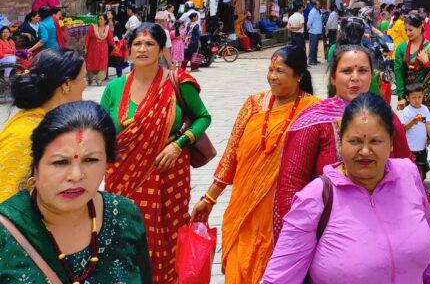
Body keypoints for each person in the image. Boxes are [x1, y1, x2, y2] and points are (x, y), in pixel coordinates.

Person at [263, 93, 430, 284]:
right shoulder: (316, 197)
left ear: (391, 142)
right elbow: (278, 279)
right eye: (355, 141)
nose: (365, 151)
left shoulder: (408, 174)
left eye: (376, 141)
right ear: (340, 142)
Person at [190, 45, 318, 284]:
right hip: (242, 211)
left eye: (280, 71)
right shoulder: (253, 104)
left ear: (299, 76)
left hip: (284, 216)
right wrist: (208, 199)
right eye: (270, 69)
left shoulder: (312, 110)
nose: (272, 76)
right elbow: (231, 156)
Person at [101, 23, 212, 284]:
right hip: (122, 174)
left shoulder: (177, 83)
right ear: (128, 50)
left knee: (165, 233)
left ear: (162, 49)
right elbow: (101, 130)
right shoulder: (114, 88)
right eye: (137, 44)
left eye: (150, 44)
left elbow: (202, 117)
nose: (142, 49)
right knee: (123, 234)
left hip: (167, 174)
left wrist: (179, 144)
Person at [0, 101, 151, 283]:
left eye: (91, 160)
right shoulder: (5, 231)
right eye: (60, 162)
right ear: (36, 166)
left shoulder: (126, 215)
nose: (76, 175)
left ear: (107, 164)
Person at [273, 44, 413, 240]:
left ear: (372, 75)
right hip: (330, 236)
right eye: (347, 71)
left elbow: (408, 172)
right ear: (333, 77)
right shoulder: (313, 122)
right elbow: (290, 188)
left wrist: (427, 213)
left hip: (387, 229)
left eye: (362, 70)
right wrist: (295, 244)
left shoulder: (386, 118)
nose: (355, 77)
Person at [0, 49, 86, 203]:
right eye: (84, 77)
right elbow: (6, 200)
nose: (86, 84)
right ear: (66, 84)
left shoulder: (52, 125)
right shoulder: (26, 134)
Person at [394, 14, 430, 124]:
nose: (407, 33)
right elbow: (399, 73)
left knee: (425, 123)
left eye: (410, 30)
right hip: (409, 95)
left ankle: (428, 141)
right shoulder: (401, 48)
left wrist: (426, 63)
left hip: (426, 96)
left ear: (420, 28)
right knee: (410, 123)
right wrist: (401, 96)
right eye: (406, 30)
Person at [401, 82, 430, 181]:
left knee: (421, 170)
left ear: (423, 96)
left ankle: (420, 187)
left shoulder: (424, 109)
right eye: (414, 97)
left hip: (421, 147)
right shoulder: (407, 111)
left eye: (419, 97)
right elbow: (404, 128)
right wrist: (414, 121)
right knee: (411, 169)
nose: (417, 100)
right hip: (410, 147)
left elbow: (428, 124)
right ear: (408, 98)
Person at [84, 14, 115, 86]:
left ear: (105, 21)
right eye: (98, 19)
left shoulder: (107, 28)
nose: (99, 20)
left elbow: (111, 40)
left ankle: (99, 79)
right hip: (92, 49)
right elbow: (87, 38)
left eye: (101, 19)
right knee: (90, 63)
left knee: (102, 64)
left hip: (103, 50)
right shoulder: (93, 27)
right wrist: (85, 47)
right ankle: (90, 79)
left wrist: (115, 47)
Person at [307, 1, 324, 66]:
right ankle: (311, 60)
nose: (319, 5)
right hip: (313, 32)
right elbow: (309, 22)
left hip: (317, 32)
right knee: (312, 47)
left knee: (315, 47)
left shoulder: (318, 11)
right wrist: (309, 28)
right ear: (314, 5)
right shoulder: (312, 12)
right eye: (318, 4)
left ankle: (314, 59)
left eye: (319, 4)